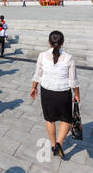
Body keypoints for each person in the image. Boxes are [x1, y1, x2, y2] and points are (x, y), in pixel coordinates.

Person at [31, 31, 80, 159]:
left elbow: (38, 73)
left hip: (47, 92)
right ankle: (59, 143)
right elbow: (73, 80)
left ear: (49, 42)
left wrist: (33, 87)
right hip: (63, 93)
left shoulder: (42, 55)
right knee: (66, 119)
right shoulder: (69, 57)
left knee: (49, 119)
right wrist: (77, 94)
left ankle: (53, 145)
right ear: (62, 42)